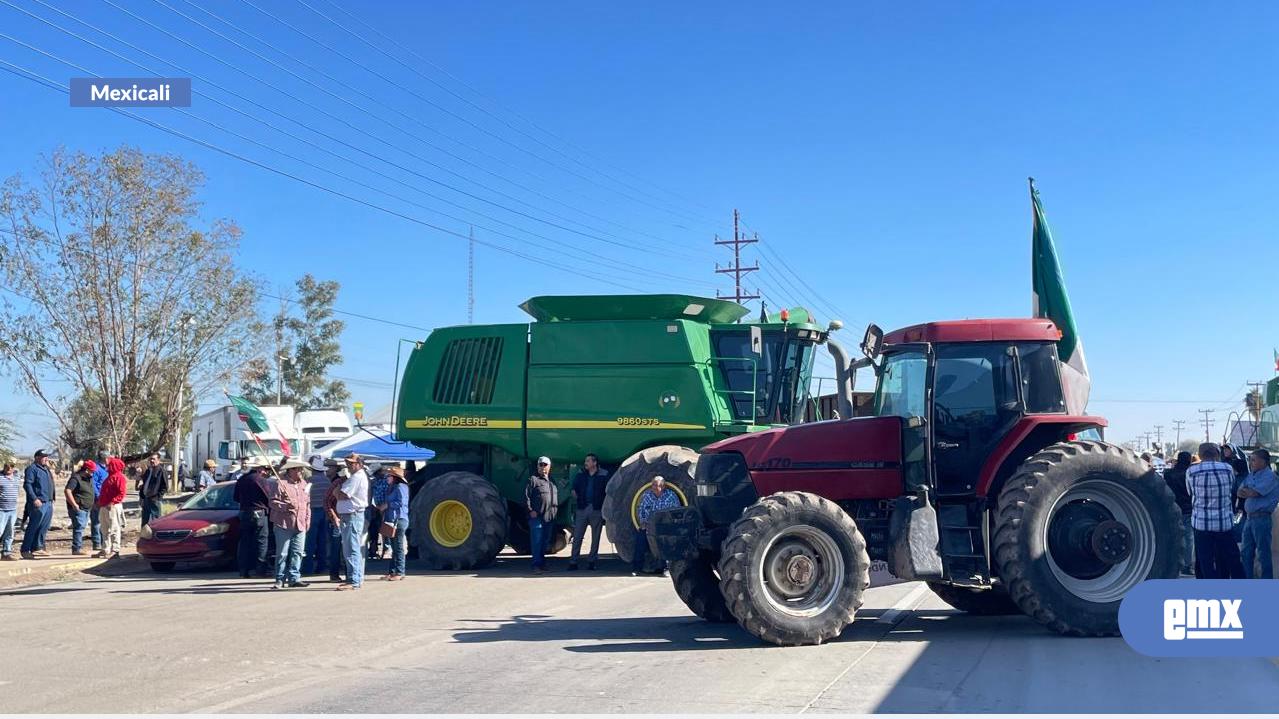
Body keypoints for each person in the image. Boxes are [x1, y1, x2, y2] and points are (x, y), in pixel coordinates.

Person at [1185, 442, 1245, 579]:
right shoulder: (1228, 469)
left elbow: (1190, 492)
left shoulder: (1191, 471)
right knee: (1232, 558)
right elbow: (1230, 488)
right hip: (1224, 523)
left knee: (1205, 560)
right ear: (1217, 454)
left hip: (1201, 524)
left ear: (1200, 455)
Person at [269, 459, 312, 589]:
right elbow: (272, 502)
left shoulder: (304, 484)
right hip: (284, 523)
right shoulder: (280, 484)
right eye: (297, 469)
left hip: (300, 523)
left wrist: (308, 519)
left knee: (298, 552)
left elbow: (307, 504)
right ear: (290, 470)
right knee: (282, 553)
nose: (300, 471)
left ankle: (294, 578)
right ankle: (279, 579)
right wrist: (286, 506)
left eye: (300, 469)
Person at [1237, 448, 1278, 579]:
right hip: (1249, 519)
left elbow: (1254, 493)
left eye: (1253, 460)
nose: (1251, 463)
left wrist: (1248, 491)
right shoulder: (1251, 475)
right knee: (1246, 552)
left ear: (1263, 462)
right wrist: (1247, 491)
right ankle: (1248, 580)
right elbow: (1239, 492)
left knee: (1263, 553)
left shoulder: (1270, 477)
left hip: (1262, 518)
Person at [632, 475, 682, 576]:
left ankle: (666, 568)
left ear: (663, 486)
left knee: (666, 542)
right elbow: (641, 510)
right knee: (640, 541)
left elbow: (677, 511)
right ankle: (637, 568)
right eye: (653, 485)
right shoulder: (647, 495)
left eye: (657, 485)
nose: (654, 487)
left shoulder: (671, 496)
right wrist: (643, 522)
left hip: (665, 526)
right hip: (649, 526)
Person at [334, 454, 369, 590]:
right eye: (348, 462)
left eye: (352, 463)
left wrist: (337, 491)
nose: (349, 465)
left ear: (359, 463)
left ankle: (353, 580)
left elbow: (342, 494)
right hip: (352, 514)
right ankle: (355, 578)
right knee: (352, 547)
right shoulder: (358, 476)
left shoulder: (356, 477)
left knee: (351, 548)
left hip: (352, 515)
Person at [569, 453, 608, 571]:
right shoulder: (581, 474)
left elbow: (608, 491)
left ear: (594, 463)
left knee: (595, 537)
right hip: (582, 508)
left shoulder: (604, 474)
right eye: (585, 461)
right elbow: (574, 487)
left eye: (588, 461)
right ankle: (573, 561)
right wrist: (575, 494)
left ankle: (592, 561)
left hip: (596, 509)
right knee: (577, 536)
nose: (585, 463)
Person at [233, 459, 272, 578]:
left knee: (245, 542)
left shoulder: (241, 479)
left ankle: (243, 571)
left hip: (244, 512)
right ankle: (261, 570)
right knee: (261, 541)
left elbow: (236, 498)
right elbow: (269, 497)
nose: (265, 472)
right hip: (259, 512)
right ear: (260, 468)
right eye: (264, 469)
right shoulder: (261, 480)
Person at [525, 456, 559, 574]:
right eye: (540, 465)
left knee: (545, 542)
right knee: (537, 542)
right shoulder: (533, 480)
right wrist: (530, 510)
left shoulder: (552, 482)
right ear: (537, 466)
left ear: (549, 467)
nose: (542, 467)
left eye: (545, 465)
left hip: (549, 517)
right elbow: (526, 497)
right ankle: (536, 566)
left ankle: (542, 563)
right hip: (537, 517)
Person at [20, 449, 55, 559]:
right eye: (44, 456)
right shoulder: (32, 469)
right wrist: (34, 498)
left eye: (47, 456)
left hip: (48, 502)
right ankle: (25, 549)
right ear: (37, 457)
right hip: (38, 503)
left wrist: (52, 497)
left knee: (44, 527)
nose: (46, 458)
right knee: (33, 526)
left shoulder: (46, 469)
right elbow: (28, 485)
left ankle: (38, 547)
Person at [1163, 451, 1194, 575]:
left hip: (1172, 507)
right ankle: (1186, 564)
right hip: (1188, 508)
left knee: (1172, 535)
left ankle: (1172, 562)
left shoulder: (1168, 474)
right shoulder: (1190, 474)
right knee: (1188, 537)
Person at [301, 454, 332, 576]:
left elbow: (305, 496)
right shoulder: (327, 481)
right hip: (324, 511)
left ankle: (307, 568)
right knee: (322, 541)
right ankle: (322, 566)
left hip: (312, 511)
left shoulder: (309, 481)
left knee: (310, 542)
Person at [381, 466, 411, 581]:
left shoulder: (400, 487)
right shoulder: (393, 487)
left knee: (398, 547)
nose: (387, 477)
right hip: (392, 520)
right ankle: (392, 572)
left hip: (399, 520)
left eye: (389, 476)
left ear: (394, 477)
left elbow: (401, 503)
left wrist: (387, 505)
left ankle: (400, 572)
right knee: (394, 546)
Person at [95, 457, 127, 559]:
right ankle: (105, 549)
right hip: (104, 505)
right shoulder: (109, 477)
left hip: (112, 506)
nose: (108, 466)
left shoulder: (119, 477)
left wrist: (113, 502)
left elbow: (121, 493)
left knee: (114, 528)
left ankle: (115, 549)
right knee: (104, 529)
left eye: (110, 465)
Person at [64, 461, 97, 556]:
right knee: (79, 527)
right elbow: (67, 490)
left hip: (87, 508)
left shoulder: (88, 478)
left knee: (82, 527)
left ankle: (78, 547)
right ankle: (76, 548)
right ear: (86, 470)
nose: (93, 473)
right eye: (92, 471)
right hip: (78, 508)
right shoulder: (76, 478)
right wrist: (74, 504)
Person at [323, 458, 347, 582]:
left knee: (340, 547)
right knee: (337, 547)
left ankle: (341, 573)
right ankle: (334, 574)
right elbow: (327, 501)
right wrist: (334, 517)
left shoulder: (337, 482)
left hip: (342, 518)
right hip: (338, 519)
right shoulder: (337, 483)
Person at [136, 453, 168, 528]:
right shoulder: (148, 471)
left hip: (154, 500)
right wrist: (142, 494)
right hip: (146, 499)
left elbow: (165, 487)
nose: (152, 461)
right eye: (151, 459)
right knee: (145, 521)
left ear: (158, 460)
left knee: (155, 521)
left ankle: (155, 537)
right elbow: (145, 483)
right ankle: (144, 536)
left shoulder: (161, 471)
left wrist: (157, 497)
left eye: (154, 459)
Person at [366, 462, 390, 560]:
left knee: (386, 529)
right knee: (375, 529)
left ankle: (387, 549)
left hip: (386, 507)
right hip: (377, 507)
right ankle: (375, 549)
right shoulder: (375, 481)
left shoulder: (387, 480)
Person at [89, 453, 107, 553]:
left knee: (104, 522)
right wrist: (97, 498)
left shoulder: (107, 469)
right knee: (96, 521)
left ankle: (103, 541)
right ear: (104, 458)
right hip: (98, 499)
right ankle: (97, 543)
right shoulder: (96, 468)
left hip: (106, 499)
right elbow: (94, 484)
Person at [0, 463, 19, 560]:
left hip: (13, 509)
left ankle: (6, 553)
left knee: (10, 532)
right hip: (1, 510)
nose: (9, 468)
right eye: (7, 466)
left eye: (11, 466)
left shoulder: (16, 478)